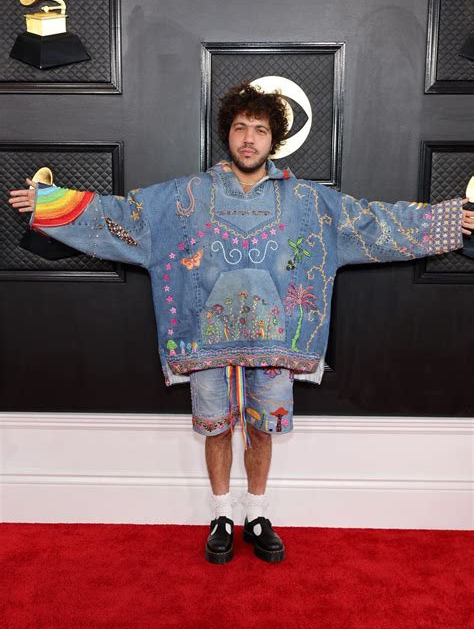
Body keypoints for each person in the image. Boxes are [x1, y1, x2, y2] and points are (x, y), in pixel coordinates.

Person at [9, 82, 474, 565]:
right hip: (206, 340)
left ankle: (256, 512)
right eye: (240, 128)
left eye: (260, 130)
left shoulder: (310, 202)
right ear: (226, 135)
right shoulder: (184, 195)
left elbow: (374, 223)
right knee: (214, 427)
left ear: (274, 140)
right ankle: (220, 515)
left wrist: (445, 221)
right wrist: (49, 205)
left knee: (263, 428)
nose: (249, 139)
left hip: (274, 340)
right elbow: (122, 215)